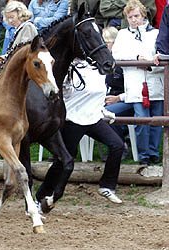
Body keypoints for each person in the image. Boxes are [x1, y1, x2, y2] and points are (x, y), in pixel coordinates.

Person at [59, 59, 124, 204]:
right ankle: (47, 194)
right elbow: (65, 94)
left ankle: (107, 186)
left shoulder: (98, 69)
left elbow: (98, 94)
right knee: (65, 160)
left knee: (117, 145)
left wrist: (101, 110)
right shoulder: (70, 68)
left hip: (93, 118)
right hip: (73, 118)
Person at [112, 0, 164, 165]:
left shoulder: (156, 33)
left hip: (155, 81)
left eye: (136, 16)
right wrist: (136, 59)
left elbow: (161, 54)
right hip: (135, 85)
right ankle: (144, 157)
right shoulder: (122, 35)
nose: (133, 19)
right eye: (130, 17)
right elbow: (116, 54)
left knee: (156, 121)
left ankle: (154, 153)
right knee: (141, 121)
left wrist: (150, 64)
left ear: (143, 15)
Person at [103, 26, 133, 160]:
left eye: (106, 43)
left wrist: (117, 98)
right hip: (110, 98)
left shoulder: (125, 59)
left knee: (106, 112)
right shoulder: (104, 61)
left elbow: (134, 90)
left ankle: (121, 145)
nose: (103, 46)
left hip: (129, 99)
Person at [0, 1, 38, 65]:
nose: (10, 21)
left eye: (12, 17)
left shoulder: (28, 27)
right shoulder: (20, 28)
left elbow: (23, 51)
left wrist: (5, 57)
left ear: (20, 14)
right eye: (8, 18)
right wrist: (3, 57)